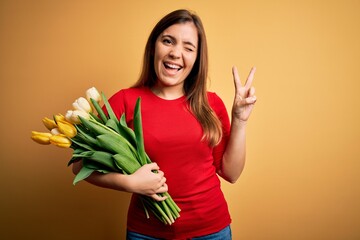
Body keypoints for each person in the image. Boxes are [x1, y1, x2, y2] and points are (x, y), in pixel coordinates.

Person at [72, 9, 256, 240]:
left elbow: (231, 173)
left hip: (211, 231)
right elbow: (79, 166)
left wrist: (240, 119)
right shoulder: (125, 101)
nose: (175, 53)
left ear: (197, 58)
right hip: (147, 233)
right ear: (153, 48)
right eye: (168, 41)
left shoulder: (211, 104)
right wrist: (130, 182)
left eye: (188, 47)